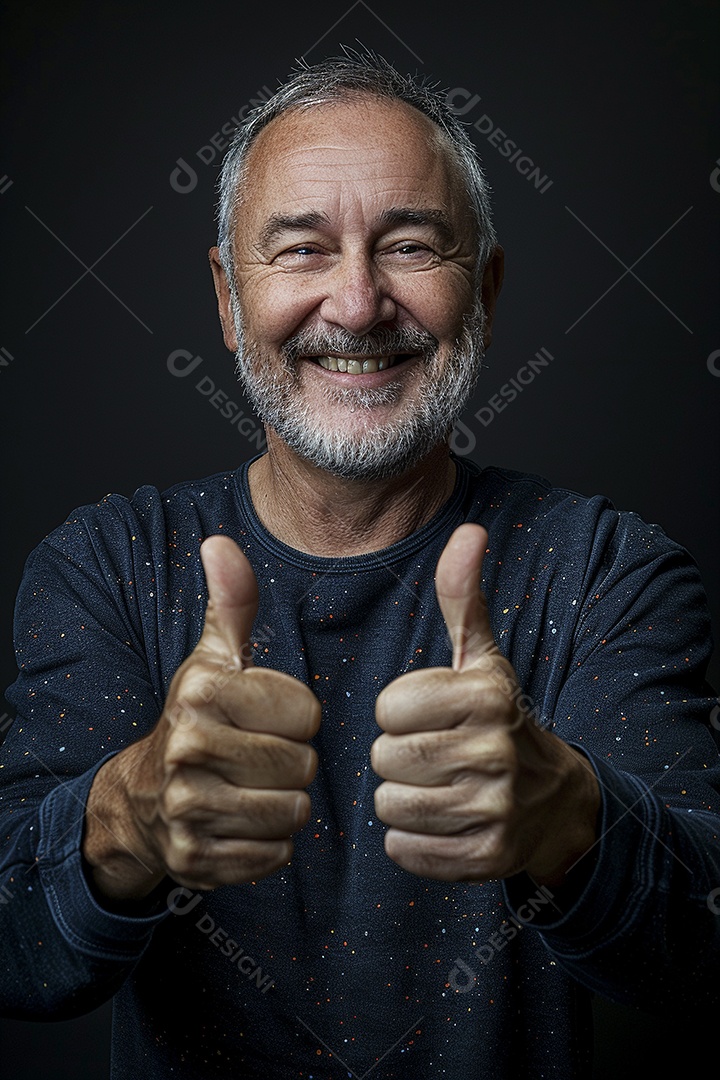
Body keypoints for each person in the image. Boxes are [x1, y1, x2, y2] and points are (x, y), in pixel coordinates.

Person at [1, 51, 718, 1079]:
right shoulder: (106, 568)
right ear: (226, 295)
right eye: (300, 250)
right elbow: (14, 956)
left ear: (487, 289)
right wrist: (128, 814)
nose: (357, 303)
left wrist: (573, 820)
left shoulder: (608, 570)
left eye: (412, 245)